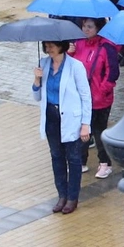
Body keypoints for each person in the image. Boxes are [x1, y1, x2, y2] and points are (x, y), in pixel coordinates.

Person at [33, 39, 92, 215]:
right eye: (46, 45)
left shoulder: (75, 66)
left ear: (61, 46)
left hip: (70, 120)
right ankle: (61, 195)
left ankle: (72, 197)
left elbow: (85, 96)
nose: (48, 48)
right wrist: (37, 80)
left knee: (73, 159)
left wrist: (85, 124)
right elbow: (36, 97)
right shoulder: (42, 64)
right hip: (51, 118)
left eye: (52, 45)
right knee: (56, 157)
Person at [71, 18, 120, 179]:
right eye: (84, 26)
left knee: (99, 131)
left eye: (90, 27)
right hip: (82, 97)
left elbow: (113, 73)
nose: (86, 30)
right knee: (82, 129)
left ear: (98, 28)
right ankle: (81, 161)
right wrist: (68, 52)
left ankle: (105, 163)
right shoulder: (78, 44)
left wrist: (102, 91)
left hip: (100, 99)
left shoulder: (106, 47)